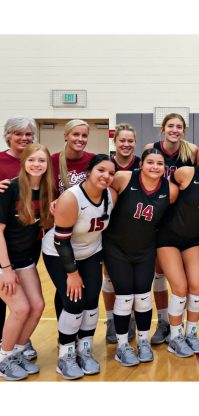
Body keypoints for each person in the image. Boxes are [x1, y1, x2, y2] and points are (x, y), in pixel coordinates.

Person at [42, 155, 117, 379]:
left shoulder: (111, 194)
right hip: (59, 253)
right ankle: (65, 356)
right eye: (101, 170)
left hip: (91, 252)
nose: (106, 176)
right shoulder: (70, 198)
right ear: (89, 171)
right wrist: (72, 274)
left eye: (111, 173)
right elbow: (61, 240)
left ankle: (84, 349)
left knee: (92, 302)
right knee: (75, 303)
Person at [103, 148, 178, 366]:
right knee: (125, 297)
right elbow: (96, 192)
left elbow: (182, 210)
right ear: (141, 164)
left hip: (145, 249)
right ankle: (122, 345)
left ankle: (143, 341)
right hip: (117, 248)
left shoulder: (170, 190)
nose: (155, 167)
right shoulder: (123, 178)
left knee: (144, 297)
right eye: (150, 162)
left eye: (160, 163)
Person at [157, 142, 199, 357]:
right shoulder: (186, 173)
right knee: (180, 288)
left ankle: (191, 334)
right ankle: (175, 337)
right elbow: (162, 190)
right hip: (167, 238)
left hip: (192, 240)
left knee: (196, 288)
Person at [0, 144, 55, 381]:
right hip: (4, 261)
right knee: (21, 309)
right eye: (32, 160)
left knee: (37, 306)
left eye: (41, 161)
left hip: (25, 260)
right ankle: (4, 358)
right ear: (24, 163)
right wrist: (5, 270)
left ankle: (19, 351)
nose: (36, 165)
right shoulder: (11, 188)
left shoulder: (47, 190)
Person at [144, 113, 198, 345]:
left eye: (179, 127)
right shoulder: (151, 148)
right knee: (159, 274)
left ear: (184, 131)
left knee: (186, 279)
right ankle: (163, 320)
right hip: (157, 216)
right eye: (170, 126)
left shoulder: (191, 151)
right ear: (162, 128)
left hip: (182, 217)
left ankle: (183, 323)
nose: (174, 130)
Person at [0, 116, 39, 362]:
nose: (23, 138)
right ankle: (5, 351)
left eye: (28, 134)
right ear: (8, 136)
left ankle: (16, 343)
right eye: (18, 134)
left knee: (30, 304)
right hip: (4, 245)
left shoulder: (34, 163)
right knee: (17, 303)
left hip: (26, 245)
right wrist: (5, 267)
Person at [50, 120, 97, 324]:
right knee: (66, 289)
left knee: (86, 289)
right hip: (62, 234)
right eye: (75, 134)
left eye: (84, 135)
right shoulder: (52, 161)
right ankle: (65, 337)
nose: (80, 139)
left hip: (86, 234)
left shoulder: (93, 160)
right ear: (66, 136)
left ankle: (79, 335)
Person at [104, 123, 140, 344]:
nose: (126, 144)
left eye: (130, 141)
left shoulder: (142, 165)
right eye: (122, 141)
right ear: (115, 142)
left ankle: (132, 318)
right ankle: (111, 320)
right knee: (109, 278)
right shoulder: (106, 165)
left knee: (135, 281)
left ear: (135, 142)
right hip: (110, 230)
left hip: (138, 230)